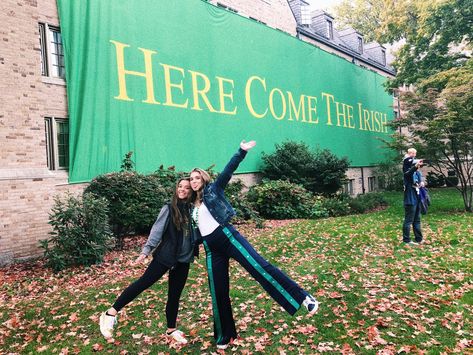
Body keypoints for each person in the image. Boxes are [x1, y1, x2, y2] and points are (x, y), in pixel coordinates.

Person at [189, 140, 319, 350]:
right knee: (218, 291)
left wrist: (241, 151)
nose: (194, 181)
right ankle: (225, 335)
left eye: (197, 178)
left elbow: (228, 171)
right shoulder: (191, 206)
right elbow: (195, 230)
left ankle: (304, 297)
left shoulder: (214, 190)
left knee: (260, 268)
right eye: (191, 179)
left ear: (203, 179)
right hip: (212, 251)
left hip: (229, 238)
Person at [99, 178, 197, 345]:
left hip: (183, 259)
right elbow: (156, 232)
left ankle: (171, 330)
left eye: (187, 188)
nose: (182, 190)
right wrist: (145, 252)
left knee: (175, 295)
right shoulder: (169, 208)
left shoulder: (193, 209)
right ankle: (110, 313)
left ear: (192, 191)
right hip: (165, 257)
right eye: (180, 186)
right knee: (143, 283)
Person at [402, 148, 424, 244]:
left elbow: (419, 178)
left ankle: (419, 239)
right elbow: (409, 172)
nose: (418, 166)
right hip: (410, 198)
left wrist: (421, 182)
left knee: (417, 220)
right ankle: (406, 240)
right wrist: (415, 166)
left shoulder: (417, 172)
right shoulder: (407, 172)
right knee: (409, 220)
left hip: (417, 196)